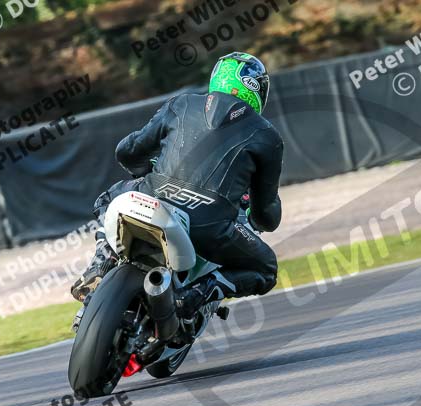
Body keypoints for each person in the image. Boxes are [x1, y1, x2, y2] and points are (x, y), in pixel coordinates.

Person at [70, 52, 283, 330]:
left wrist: (149, 169)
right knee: (266, 268)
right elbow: (267, 214)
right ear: (256, 90)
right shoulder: (268, 136)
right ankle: (198, 293)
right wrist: (257, 211)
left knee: (109, 197)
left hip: (153, 195)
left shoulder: (181, 103)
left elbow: (127, 151)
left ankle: (101, 260)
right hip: (209, 227)